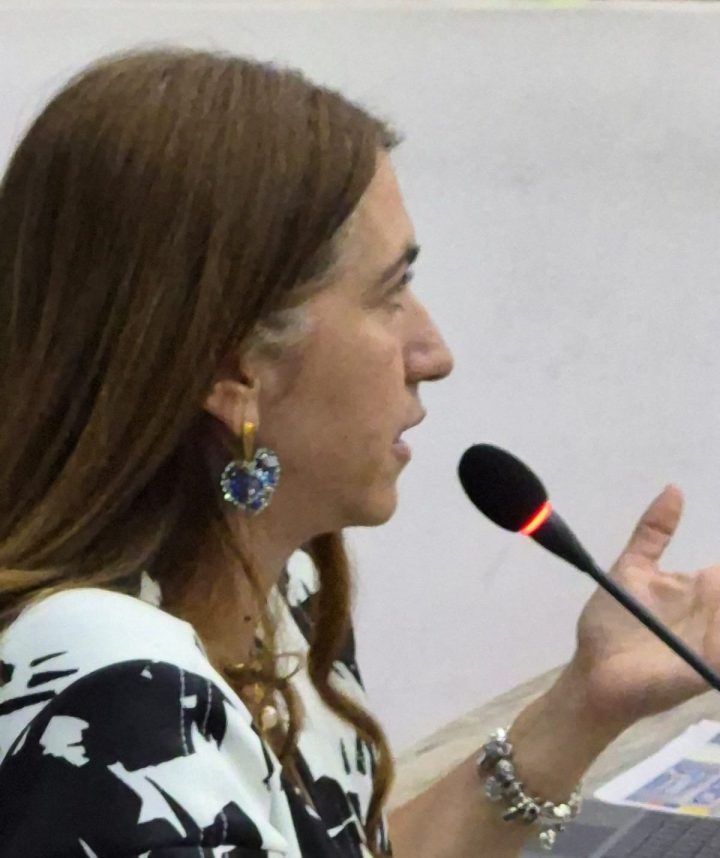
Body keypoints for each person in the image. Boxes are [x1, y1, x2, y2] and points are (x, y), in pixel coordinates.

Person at [1, 46, 719, 858]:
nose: (433, 352)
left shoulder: (281, 591)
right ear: (234, 367)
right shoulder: (110, 687)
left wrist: (587, 703)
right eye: (389, 293)